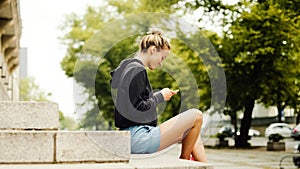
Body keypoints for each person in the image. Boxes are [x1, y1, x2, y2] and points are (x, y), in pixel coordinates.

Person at [110, 28, 207, 162]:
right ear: (153, 50)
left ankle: (201, 164)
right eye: (162, 57)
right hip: (138, 137)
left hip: (133, 135)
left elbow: (133, 103)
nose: (161, 63)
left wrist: (157, 96)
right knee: (196, 115)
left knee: (192, 130)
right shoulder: (136, 70)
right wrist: (160, 96)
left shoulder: (129, 68)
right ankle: (184, 160)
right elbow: (137, 107)